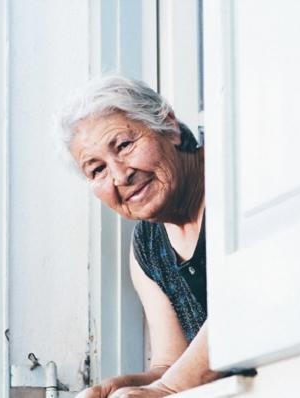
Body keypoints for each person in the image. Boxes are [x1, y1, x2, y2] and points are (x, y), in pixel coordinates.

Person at [59, 76, 219, 398]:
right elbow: (170, 364)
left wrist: (168, 388)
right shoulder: (147, 248)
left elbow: (248, 301)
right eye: (97, 170)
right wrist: (114, 388)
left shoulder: (231, 178)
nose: (120, 176)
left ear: (169, 126)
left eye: (124, 145)